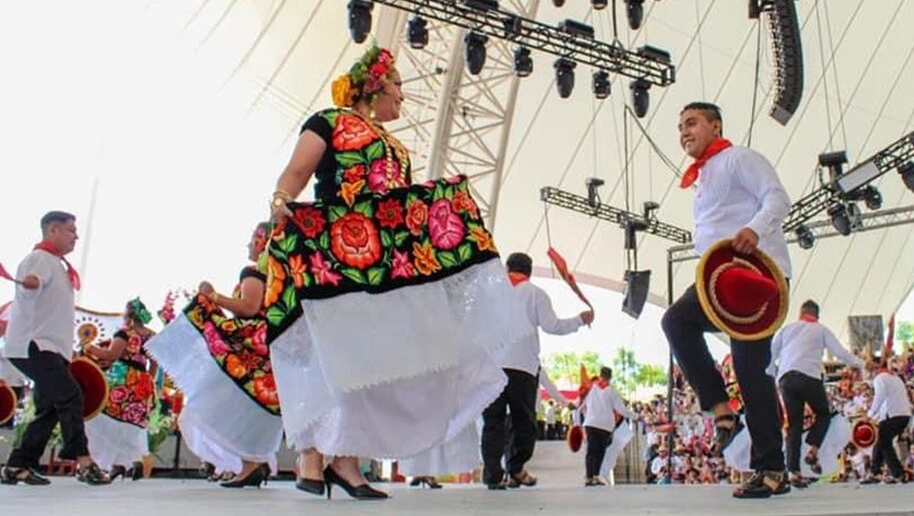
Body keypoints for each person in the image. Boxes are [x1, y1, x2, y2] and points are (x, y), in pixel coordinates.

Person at [262, 44, 529, 499]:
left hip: (379, 261)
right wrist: (280, 201)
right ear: (373, 86)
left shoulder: (399, 148)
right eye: (398, 86)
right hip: (333, 253)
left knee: (370, 360)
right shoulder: (328, 122)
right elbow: (295, 173)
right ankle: (311, 454)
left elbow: (399, 208)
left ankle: (344, 459)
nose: (403, 97)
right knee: (330, 353)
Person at [661, 102, 792, 498]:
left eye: (692, 123)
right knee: (675, 322)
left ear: (715, 126)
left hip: (754, 275)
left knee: (752, 371)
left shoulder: (740, 159)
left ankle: (772, 469)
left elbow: (778, 199)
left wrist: (753, 229)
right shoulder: (702, 178)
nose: (684, 131)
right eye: (680, 125)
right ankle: (721, 409)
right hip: (719, 280)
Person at [146, 223, 281, 489]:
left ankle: (251, 463)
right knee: (249, 405)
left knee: (226, 401)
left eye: (252, 239)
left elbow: (249, 307)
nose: (248, 245)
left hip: (253, 346)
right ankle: (252, 462)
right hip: (270, 344)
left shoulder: (253, 273)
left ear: (261, 241)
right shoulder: (281, 274)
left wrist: (212, 297)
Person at [1, 211, 111, 486]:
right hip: (34, 345)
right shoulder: (39, 259)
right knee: (71, 396)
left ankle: (18, 465)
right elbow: (31, 283)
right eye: (71, 230)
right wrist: (31, 282)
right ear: (53, 230)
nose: (76, 236)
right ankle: (84, 462)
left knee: (50, 407)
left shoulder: (57, 265)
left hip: (51, 348)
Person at [481, 252, 592, 489]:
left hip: (490, 367)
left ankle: (492, 475)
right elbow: (553, 326)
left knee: (493, 422)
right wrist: (580, 320)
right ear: (529, 271)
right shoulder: (536, 294)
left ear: (507, 269)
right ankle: (516, 468)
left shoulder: (490, 293)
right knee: (524, 422)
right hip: (521, 368)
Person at [771, 299, 862, 486]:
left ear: (800, 313)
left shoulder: (787, 329)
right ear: (816, 315)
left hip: (786, 378)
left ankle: (793, 472)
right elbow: (840, 353)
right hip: (809, 376)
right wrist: (860, 363)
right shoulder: (821, 329)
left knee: (793, 426)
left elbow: (771, 356)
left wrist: (773, 377)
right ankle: (813, 449)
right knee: (823, 414)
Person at [83, 297, 157, 481]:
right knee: (130, 424)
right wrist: (149, 381)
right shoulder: (152, 335)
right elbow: (156, 362)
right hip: (143, 382)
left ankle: (106, 463)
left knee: (102, 418)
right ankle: (126, 462)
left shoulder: (125, 332)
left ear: (128, 314)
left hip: (121, 380)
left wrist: (89, 347)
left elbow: (112, 355)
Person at [861, 356, 911, 484]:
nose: (868, 369)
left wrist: (870, 415)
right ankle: (874, 472)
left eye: (870, 365)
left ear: (877, 365)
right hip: (902, 414)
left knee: (884, 442)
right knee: (880, 441)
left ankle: (898, 473)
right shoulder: (894, 377)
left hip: (893, 414)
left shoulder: (880, 378)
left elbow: (880, 397)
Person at [581, 367, 629, 486]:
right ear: (610, 376)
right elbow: (621, 409)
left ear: (600, 374)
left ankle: (589, 477)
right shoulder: (612, 391)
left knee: (591, 451)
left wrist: (572, 405)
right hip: (605, 426)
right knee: (599, 452)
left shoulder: (591, 387)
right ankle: (595, 476)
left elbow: (580, 402)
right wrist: (636, 416)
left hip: (591, 423)